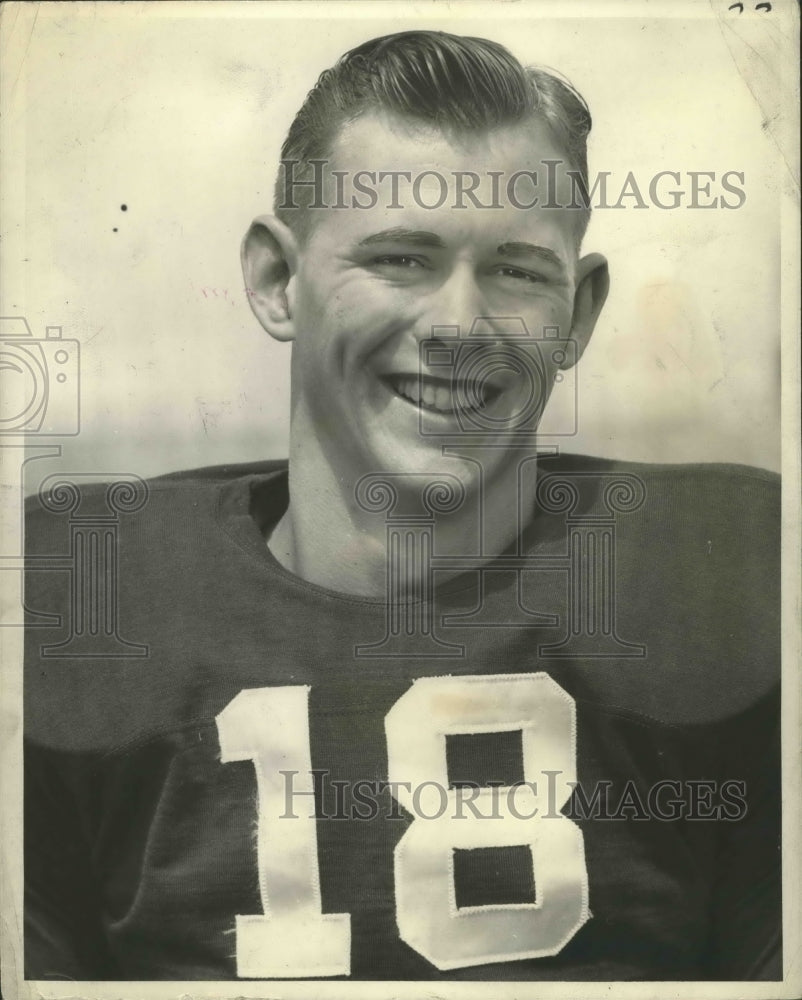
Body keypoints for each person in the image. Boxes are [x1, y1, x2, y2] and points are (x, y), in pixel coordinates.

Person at [24, 30, 780, 982]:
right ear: (275, 281)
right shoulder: (83, 603)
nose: (460, 327)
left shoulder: (729, 580)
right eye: (401, 259)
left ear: (578, 311)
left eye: (516, 270)